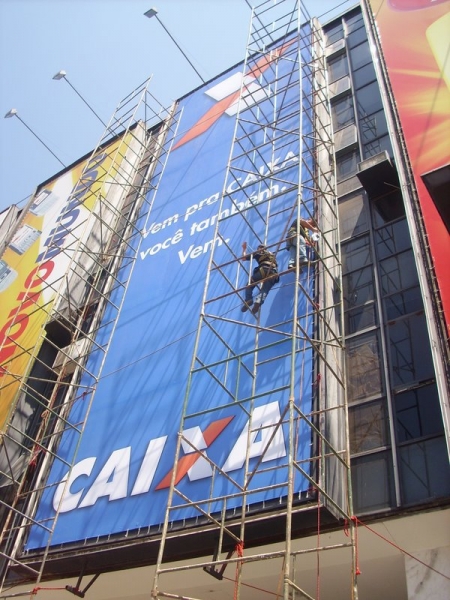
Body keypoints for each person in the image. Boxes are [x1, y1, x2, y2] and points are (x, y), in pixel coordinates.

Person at [241, 243, 279, 314]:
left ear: (260, 248)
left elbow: (243, 258)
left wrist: (244, 249)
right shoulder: (271, 254)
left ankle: (248, 300)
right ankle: (258, 301)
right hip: (274, 272)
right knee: (264, 290)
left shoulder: (259, 253)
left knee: (249, 284)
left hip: (264, 270)